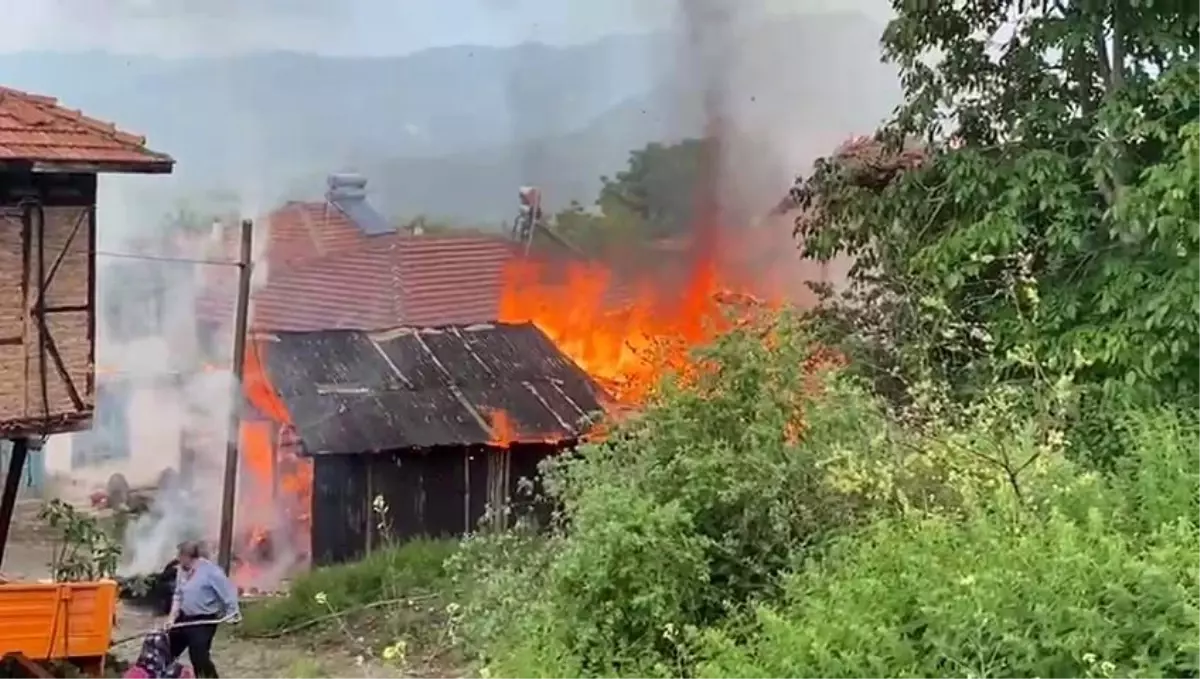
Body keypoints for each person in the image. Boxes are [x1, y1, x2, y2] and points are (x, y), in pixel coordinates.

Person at [166, 541, 240, 679]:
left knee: (199, 656)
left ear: (189, 557)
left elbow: (228, 592)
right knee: (168, 650)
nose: (178, 560)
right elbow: (178, 595)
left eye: (180, 556)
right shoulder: (181, 570)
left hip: (204, 619)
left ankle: (208, 677)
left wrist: (233, 612)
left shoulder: (211, 572)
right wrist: (171, 617)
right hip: (184, 617)